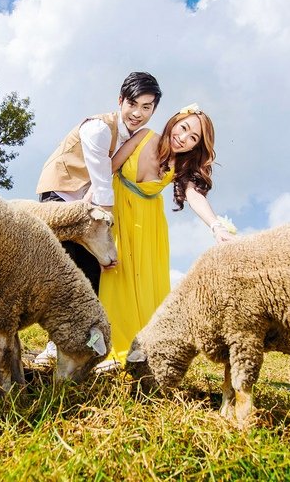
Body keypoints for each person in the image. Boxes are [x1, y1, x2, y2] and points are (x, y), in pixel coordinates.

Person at [33, 71, 163, 365]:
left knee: (91, 275)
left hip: (89, 207)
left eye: (147, 107)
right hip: (62, 196)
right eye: (133, 104)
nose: (138, 113)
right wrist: (110, 239)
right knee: (68, 269)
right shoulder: (99, 129)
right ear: (120, 100)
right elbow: (103, 185)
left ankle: (79, 345)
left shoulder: (133, 137)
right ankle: (53, 347)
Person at [97, 103, 237, 369]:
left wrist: (216, 227)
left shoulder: (180, 165)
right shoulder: (145, 135)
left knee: (145, 286)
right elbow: (109, 169)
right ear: (175, 121)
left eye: (193, 138)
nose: (183, 138)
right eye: (184, 128)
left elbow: (194, 195)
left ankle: (141, 353)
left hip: (148, 227)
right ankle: (109, 348)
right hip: (117, 213)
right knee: (113, 277)